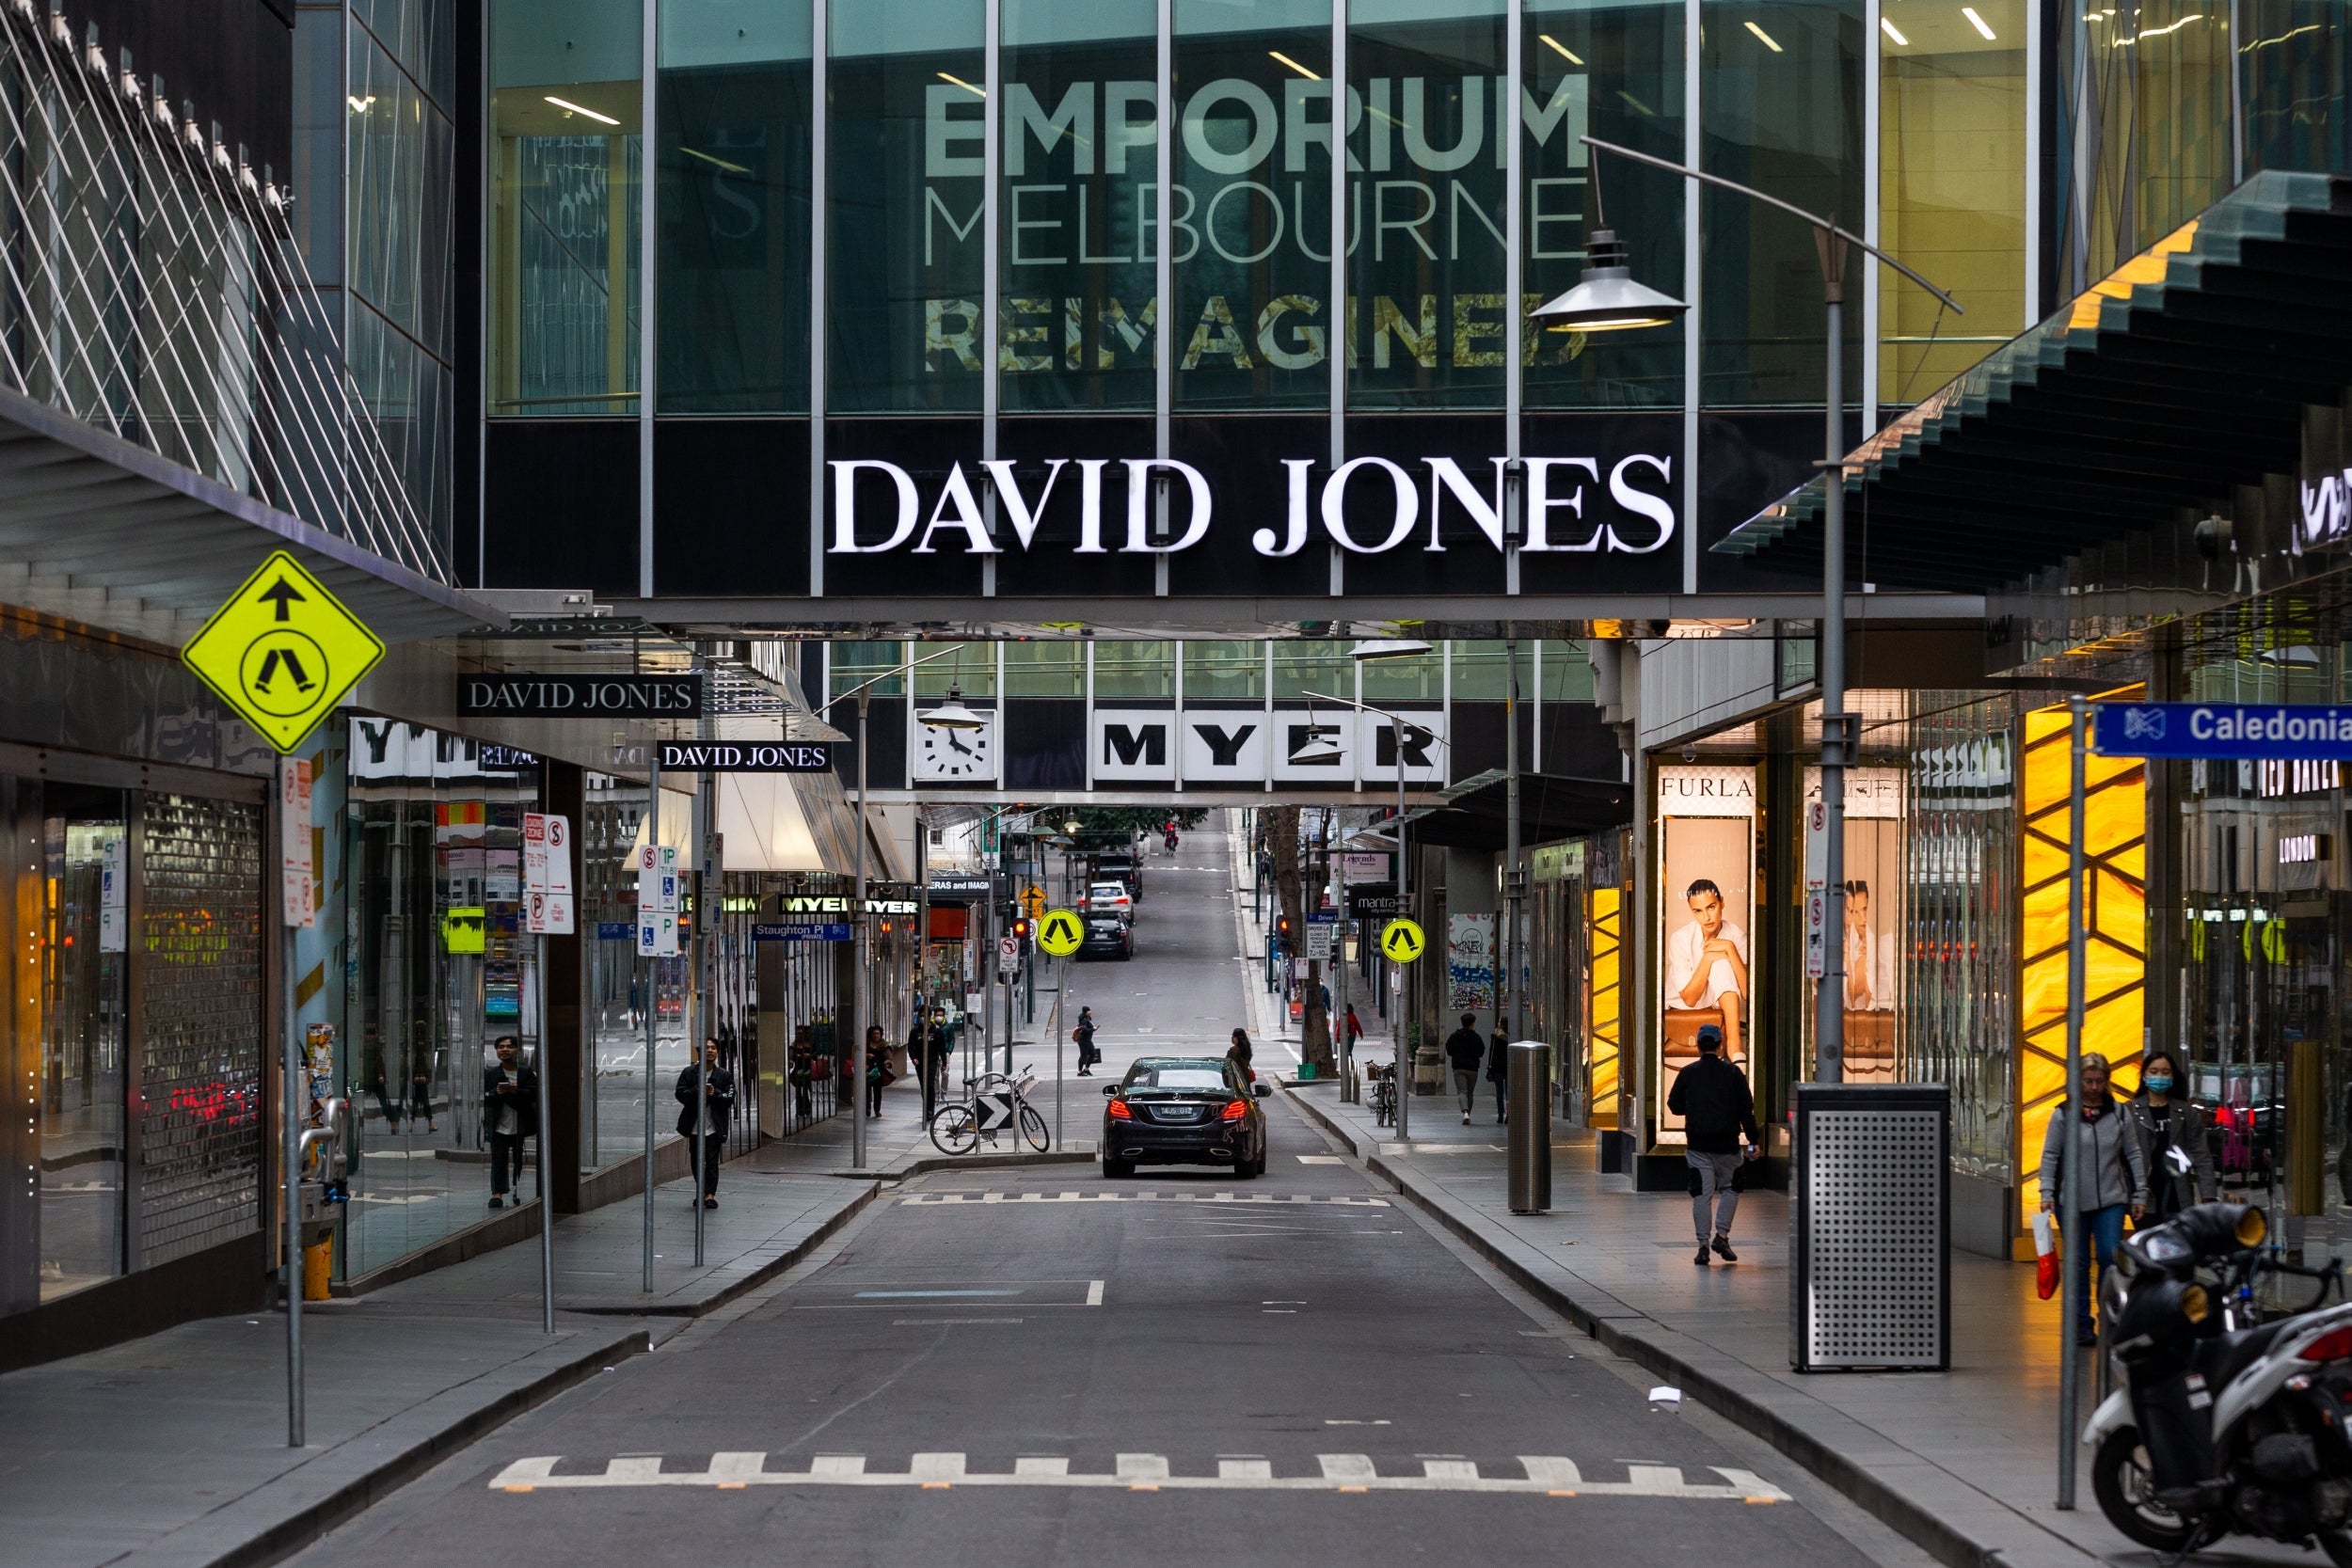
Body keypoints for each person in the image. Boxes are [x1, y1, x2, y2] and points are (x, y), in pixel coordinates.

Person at [2038, 1050, 2149, 1345]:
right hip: (2070, 1201)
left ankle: (2109, 1316)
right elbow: (2050, 1155)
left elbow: (2133, 1154)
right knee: (2078, 1263)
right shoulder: (2063, 1114)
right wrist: (2047, 1192)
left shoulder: (2119, 1113)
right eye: (2088, 1081)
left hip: (2111, 1198)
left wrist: (2139, 1193)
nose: (2094, 1087)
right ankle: (2081, 1325)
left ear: (2107, 1082)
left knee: (2109, 1256)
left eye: (2099, 1081)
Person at [1666, 1022, 1761, 1266]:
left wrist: (1696, 1107)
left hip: (1698, 1145)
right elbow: (1746, 1111)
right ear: (1720, 1046)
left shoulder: (1688, 1073)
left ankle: (1703, 1246)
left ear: (1698, 1046)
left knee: (1702, 1194)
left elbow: (1674, 1106)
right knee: (1730, 1189)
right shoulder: (1733, 1074)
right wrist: (1754, 1141)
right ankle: (1722, 1236)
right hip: (1728, 1146)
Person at [2124, 1050, 2215, 1225]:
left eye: (2165, 1072)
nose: (2159, 1076)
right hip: (2144, 1196)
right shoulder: (2131, 1111)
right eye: (2153, 1071)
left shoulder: (2186, 1113)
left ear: (2173, 1077)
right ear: (2143, 1075)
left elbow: (2202, 1156)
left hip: (2177, 1193)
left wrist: (2208, 1195)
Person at [1662, 879, 1749, 1054]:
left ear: (1722, 902)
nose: (1706, 917)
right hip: (1684, 1002)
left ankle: (1734, 1043)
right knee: (1720, 963)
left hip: (1719, 999)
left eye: (1711, 907)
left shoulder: (1736, 935)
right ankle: (1737, 1050)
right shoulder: (1680, 938)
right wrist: (1708, 958)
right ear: (1692, 912)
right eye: (1698, 911)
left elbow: (1748, 993)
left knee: (1723, 964)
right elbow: (1690, 998)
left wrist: (1730, 949)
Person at [675, 1038, 737, 1209]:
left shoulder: (724, 1075)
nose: (710, 1051)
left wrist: (714, 1093)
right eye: (706, 1048)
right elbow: (680, 1094)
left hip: (714, 1128)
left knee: (711, 1162)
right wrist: (698, 1090)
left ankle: (710, 1195)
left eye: (713, 1048)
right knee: (696, 1162)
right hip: (694, 1128)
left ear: (717, 1052)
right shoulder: (689, 1073)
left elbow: (729, 1099)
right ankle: (702, 1191)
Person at [482, 1035, 536, 1209]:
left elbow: (534, 1093)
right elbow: (485, 1097)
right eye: (501, 1047)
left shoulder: (526, 1072)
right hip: (498, 1125)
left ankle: (516, 1188)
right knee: (498, 1159)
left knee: (518, 1159)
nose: (505, 1049)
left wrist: (515, 1090)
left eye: (510, 1046)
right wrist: (496, 1092)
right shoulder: (491, 1073)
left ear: (517, 1051)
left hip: (520, 1125)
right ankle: (496, 1194)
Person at [1444, 1013, 1486, 1125]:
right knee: (1470, 1093)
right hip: (1472, 1069)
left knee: (1462, 1091)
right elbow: (1481, 1051)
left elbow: (1449, 1049)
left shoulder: (1454, 1036)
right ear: (1472, 1024)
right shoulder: (1476, 1037)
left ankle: (1465, 1113)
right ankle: (1468, 1114)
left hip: (1459, 1067)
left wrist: (1457, 1055)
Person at [1486, 1023, 1510, 1125]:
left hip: (1497, 1068)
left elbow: (1491, 1053)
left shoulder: (1495, 1038)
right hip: (1509, 1068)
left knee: (1499, 1093)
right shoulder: (1512, 1037)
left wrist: (1489, 1066)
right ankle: (1509, 1115)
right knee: (1509, 1094)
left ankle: (1500, 1115)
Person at [865, 1024, 891, 1117]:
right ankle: (867, 1109)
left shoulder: (883, 1044)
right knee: (866, 1091)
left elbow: (888, 1056)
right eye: (874, 1033)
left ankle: (877, 1110)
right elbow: (858, 1052)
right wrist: (866, 1055)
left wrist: (888, 1062)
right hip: (867, 1070)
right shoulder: (866, 1043)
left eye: (878, 1033)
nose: (876, 1035)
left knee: (877, 1092)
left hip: (878, 1071)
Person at [1073, 1006, 1099, 1076]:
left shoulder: (1089, 1018)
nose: (1090, 1012)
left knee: (1093, 1053)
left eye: (1090, 1010)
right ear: (1085, 1012)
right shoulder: (1084, 1020)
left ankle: (1086, 1069)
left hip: (1088, 1039)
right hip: (1083, 1040)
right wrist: (1093, 1029)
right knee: (1083, 1055)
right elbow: (1084, 1030)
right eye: (1089, 1011)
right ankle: (1079, 1071)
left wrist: (1093, 1028)